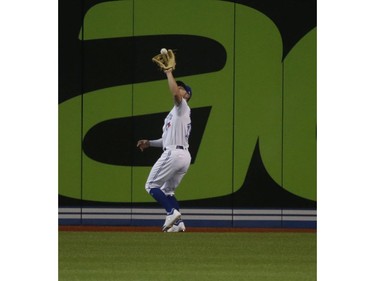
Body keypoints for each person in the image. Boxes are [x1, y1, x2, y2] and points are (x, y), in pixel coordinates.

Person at [137, 68, 192, 232]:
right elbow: (166, 140)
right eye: (179, 86)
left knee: (151, 185)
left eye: (182, 88)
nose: (179, 88)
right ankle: (178, 223)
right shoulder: (176, 113)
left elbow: (175, 94)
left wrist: (168, 73)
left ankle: (171, 213)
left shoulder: (182, 106)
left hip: (174, 154)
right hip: (183, 155)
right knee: (168, 191)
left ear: (187, 95)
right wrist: (150, 143)